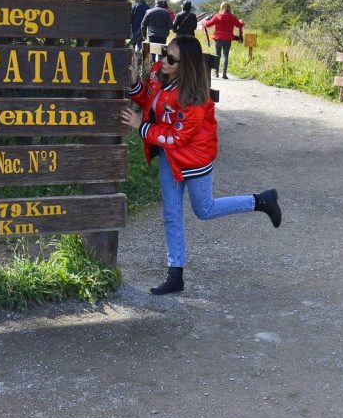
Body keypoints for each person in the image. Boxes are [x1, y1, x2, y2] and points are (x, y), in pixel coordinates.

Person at [120, 35, 281, 295]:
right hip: (171, 158)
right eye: (164, 54)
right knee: (171, 215)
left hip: (194, 159)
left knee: (204, 210)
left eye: (172, 59)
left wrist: (142, 127)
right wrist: (134, 84)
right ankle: (175, 275)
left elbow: (176, 137)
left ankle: (261, 201)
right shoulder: (159, 75)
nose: (164, 61)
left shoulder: (195, 99)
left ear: (187, 66)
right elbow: (150, 100)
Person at [203, 1, 244, 79]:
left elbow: (207, 24)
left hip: (218, 39)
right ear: (229, 8)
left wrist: (204, 21)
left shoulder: (217, 16)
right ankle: (224, 74)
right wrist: (241, 21)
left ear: (221, 7)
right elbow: (240, 25)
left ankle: (216, 72)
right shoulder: (232, 17)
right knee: (225, 56)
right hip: (227, 39)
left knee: (217, 55)